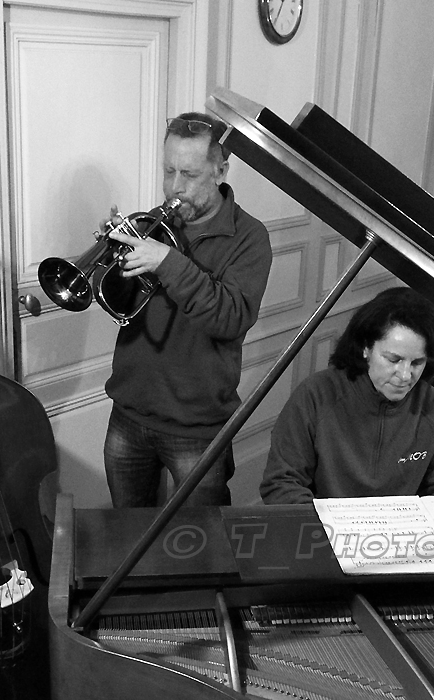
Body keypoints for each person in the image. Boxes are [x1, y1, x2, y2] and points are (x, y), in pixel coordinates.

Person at [101, 112, 272, 507]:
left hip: (197, 428)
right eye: (168, 171)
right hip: (129, 412)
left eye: (189, 174)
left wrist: (167, 262)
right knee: (129, 533)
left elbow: (229, 318)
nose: (174, 187)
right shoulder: (153, 225)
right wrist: (111, 262)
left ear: (220, 171)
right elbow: (125, 307)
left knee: (201, 539)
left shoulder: (249, 237)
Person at [260, 286, 434, 503]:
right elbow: (282, 484)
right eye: (393, 360)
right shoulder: (316, 395)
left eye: (417, 363)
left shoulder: (432, 404)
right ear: (366, 348)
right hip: (324, 522)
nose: (405, 375)